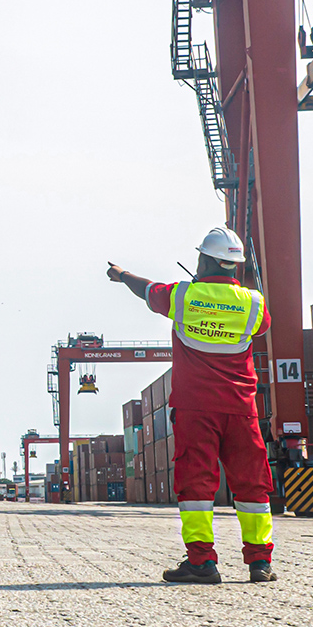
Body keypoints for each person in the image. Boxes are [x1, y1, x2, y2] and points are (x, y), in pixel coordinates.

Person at [106, 228, 276, 585]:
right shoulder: (254, 304)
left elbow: (147, 290)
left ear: (205, 260)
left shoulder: (183, 296)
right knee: (252, 484)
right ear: (235, 265)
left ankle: (201, 562)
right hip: (242, 409)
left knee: (197, 484)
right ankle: (260, 563)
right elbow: (262, 327)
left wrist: (121, 275)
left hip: (195, 408)